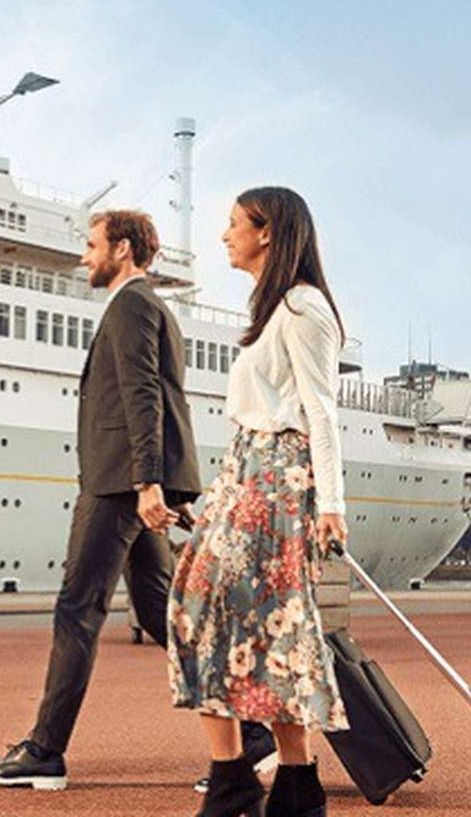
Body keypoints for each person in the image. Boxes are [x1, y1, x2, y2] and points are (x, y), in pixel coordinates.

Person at [0, 209, 204, 791]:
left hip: (120, 485)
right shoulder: (149, 306)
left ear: (123, 249)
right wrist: (163, 483)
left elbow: (141, 394)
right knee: (159, 611)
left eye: (92, 244)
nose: (84, 255)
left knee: (78, 608)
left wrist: (148, 483)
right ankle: (250, 736)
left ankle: (46, 751)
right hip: (134, 482)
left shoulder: (131, 305)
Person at [168, 187, 349, 817]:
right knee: (236, 620)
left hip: (277, 478)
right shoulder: (271, 305)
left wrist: (332, 506)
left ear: (267, 232)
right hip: (245, 470)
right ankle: (279, 785)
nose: (224, 235)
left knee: (237, 617)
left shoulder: (303, 308)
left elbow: (322, 412)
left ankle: (247, 781)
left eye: (233, 224)